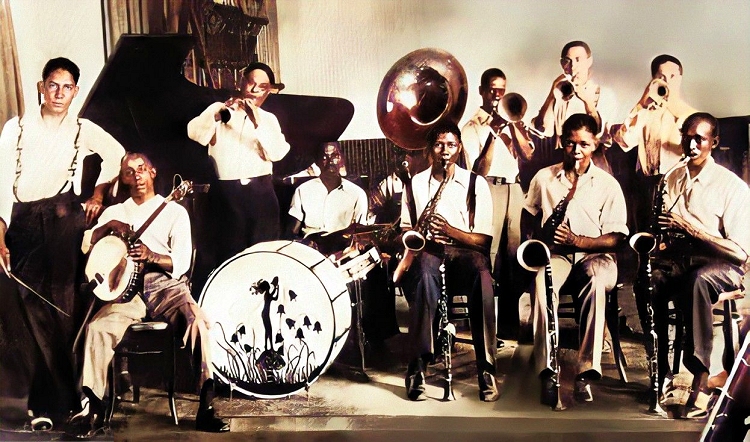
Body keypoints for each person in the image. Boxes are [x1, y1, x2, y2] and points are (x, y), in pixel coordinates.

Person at [0, 57, 125, 425]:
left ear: (75, 91)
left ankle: (62, 404)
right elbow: (3, 182)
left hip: (61, 218)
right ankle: (49, 401)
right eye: (53, 85)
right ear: (41, 86)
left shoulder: (82, 128)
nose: (59, 93)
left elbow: (116, 155)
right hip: (22, 220)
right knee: (28, 308)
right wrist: (1, 232)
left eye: (67, 87)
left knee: (61, 308)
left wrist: (98, 193)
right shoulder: (16, 128)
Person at [67, 153, 229, 436]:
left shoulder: (175, 212)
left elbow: (180, 262)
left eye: (141, 169)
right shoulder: (115, 211)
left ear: (153, 173)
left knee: (198, 324)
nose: (137, 175)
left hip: (167, 286)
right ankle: (95, 408)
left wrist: (152, 255)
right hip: (126, 291)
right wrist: (109, 226)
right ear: (123, 179)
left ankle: (206, 407)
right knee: (98, 328)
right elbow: (86, 244)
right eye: (129, 172)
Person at [522, 113, 627, 404]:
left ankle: (585, 371)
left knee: (594, 282)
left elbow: (618, 238)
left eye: (583, 144)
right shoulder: (544, 178)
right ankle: (547, 371)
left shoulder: (608, 184)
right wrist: (535, 244)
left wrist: (578, 241)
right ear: (561, 142)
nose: (577, 151)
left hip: (597, 256)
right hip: (557, 256)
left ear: (595, 144)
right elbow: (527, 214)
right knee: (543, 285)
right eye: (570, 144)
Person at [651, 112, 750, 417]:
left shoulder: (732, 187)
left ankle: (702, 380)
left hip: (723, 265)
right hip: (683, 258)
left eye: (700, 139)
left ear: (714, 143)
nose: (691, 145)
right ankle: (662, 372)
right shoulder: (672, 177)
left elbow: (740, 253)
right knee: (648, 282)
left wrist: (692, 229)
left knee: (699, 282)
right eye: (686, 137)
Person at [400, 122, 498, 402]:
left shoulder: (475, 183)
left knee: (483, 277)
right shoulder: (416, 183)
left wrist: (451, 232)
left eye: (451, 145)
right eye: (439, 145)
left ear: (459, 148)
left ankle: (487, 369)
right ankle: (417, 367)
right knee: (422, 277)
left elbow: (485, 241)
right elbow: (406, 230)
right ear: (431, 149)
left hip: (466, 251)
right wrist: (414, 233)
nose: (445, 151)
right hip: (429, 250)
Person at [187, 62, 290, 264]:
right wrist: (218, 114)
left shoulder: (269, 120)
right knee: (229, 257)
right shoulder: (220, 108)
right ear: (242, 83)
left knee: (263, 256)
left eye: (262, 87)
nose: (254, 90)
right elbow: (194, 132)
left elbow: (278, 153)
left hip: (261, 195)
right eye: (251, 83)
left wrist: (255, 120)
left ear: (268, 92)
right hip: (227, 196)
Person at [461, 68, 534, 343]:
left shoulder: (513, 122)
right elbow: (478, 169)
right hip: (489, 187)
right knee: (490, 256)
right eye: (492, 89)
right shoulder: (472, 127)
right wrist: (493, 133)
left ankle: (509, 325)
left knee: (513, 257)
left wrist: (513, 127)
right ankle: (486, 327)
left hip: (514, 188)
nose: (498, 95)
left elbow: (528, 154)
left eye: (502, 89)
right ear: (482, 91)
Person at [613, 54, 698, 232]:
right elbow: (624, 140)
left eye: (672, 76)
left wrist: (669, 104)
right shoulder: (645, 112)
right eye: (661, 77)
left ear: (680, 78)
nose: (667, 81)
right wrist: (641, 104)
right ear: (653, 80)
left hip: (676, 186)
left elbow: (690, 147)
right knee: (643, 237)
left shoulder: (690, 115)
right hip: (645, 185)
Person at [531, 41, 617, 175]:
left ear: (589, 61)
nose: (573, 66)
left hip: (593, 161)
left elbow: (599, 133)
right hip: (563, 159)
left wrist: (586, 99)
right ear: (562, 65)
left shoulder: (603, 93)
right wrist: (552, 93)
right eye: (568, 61)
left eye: (578, 60)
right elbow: (541, 128)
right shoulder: (559, 92)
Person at [288, 141, 369, 240]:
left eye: (335, 156)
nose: (330, 160)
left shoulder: (357, 194)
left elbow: (361, 233)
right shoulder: (302, 190)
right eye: (324, 157)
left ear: (342, 159)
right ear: (317, 162)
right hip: (310, 248)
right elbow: (292, 232)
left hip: (342, 248)